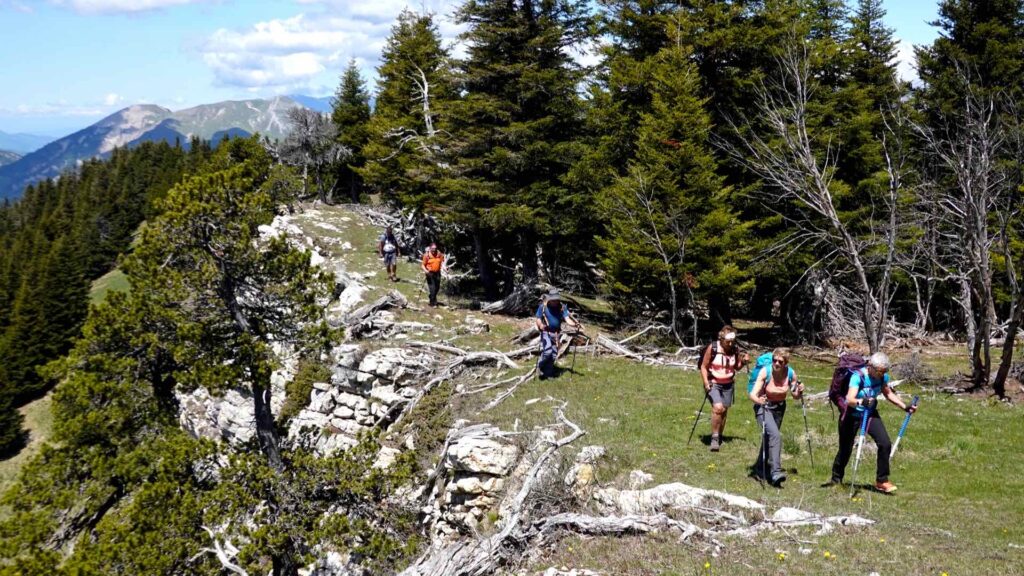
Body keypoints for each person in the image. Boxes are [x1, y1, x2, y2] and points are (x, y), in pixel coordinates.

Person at [829, 352, 916, 493]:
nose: (883, 374)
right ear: (871, 367)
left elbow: (887, 393)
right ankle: (836, 479)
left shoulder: (882, 378)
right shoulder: (858, 377)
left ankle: (882, 480)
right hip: (851, 414)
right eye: (881, 371)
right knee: (846, 449)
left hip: (869, 413)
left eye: (885, 371)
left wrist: (904, 406)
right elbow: (849, 399)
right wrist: (861, 401)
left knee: (885, 443)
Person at [749, 348, 804, 486]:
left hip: (779, 408)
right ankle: (775, 472)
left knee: (770, 437)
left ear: (785, 362)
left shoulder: (790, 373)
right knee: (775, 435)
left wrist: (799, 391)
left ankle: (760, 466)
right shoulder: (765, 372)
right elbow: (752, 394)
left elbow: (795, 396)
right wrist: (758, 400)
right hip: (764, 407)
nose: (776, 363)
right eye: (774, 360)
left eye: (780, 361)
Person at [699, 326, 749, 452]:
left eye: (732, 341)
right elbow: (704, 366)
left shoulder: (734, 350)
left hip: (728, 384)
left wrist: (743, 362)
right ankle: (714, 438)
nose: (730, 344)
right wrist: (705, 382)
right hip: (713, 382)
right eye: (728, 342)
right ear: (721, 339)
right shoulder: (713, 348)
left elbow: (736, 367)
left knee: (724, 411)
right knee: (718, 408)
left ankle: (720, 435)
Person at [534, 289, 578, 380]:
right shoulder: (543, 307)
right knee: (547, 351)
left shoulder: (562, 307)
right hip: (546, 332)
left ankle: (548, 373)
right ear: (550, 299)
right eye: (553, 300)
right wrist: (541, 325)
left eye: (556, 300)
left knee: (554, 354)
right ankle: (540, 366)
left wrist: (574, 324)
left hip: (556, 334)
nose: (555, 302)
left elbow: (567, 318)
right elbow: (538, 318)